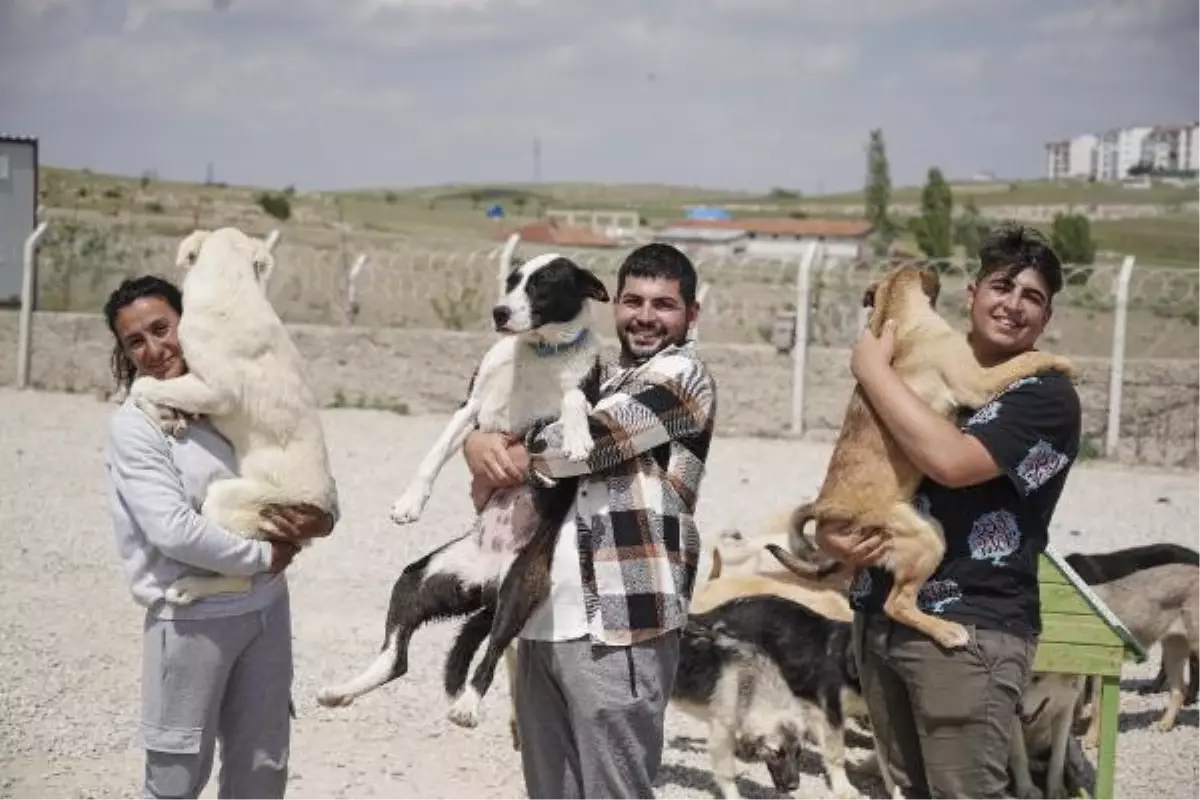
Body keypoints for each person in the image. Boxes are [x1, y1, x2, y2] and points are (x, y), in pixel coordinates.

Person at [818, 223, 1083, 798]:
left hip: (973, 628)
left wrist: (871, 370)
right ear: (972, 295)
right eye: (1002, 286)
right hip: (880, 620)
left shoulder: (1044, 395)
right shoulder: (926, 362)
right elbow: (857, 464)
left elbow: (951, 462)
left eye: (1032, 296)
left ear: (1048, 315)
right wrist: (835, 542)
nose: (1013, 305)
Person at [463, 243, 717, 799]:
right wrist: (476, 437)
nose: (645, 316)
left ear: (691, 315)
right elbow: (488, 392)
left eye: (664, 304)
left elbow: (583, 448)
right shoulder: (592, 369)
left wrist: (497, 442)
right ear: (611, 305)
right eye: (633, 301)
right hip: (538, 619)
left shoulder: (682, 378)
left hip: (622, 624)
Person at [101, 275, 336, 799]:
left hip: (266, 614)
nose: (154, 349)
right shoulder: (136, 428)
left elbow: (302, 459)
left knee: (263, 767)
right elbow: (173, 532)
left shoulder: (236, 400)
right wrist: (267, 555)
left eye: (163, 328)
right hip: (190, 623)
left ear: (192, 322)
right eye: (135, 341)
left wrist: (323, 517)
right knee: (175, 780)